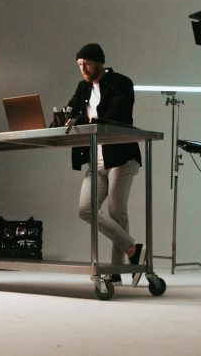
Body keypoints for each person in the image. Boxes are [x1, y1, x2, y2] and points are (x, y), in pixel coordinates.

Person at [67, 43, 143, 285]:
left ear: (99, 62)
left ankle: (115, 272)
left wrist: (82, 118)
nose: (83, 69)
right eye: (79, 64)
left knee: (116, 211)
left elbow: (117, 116)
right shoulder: (83, 87)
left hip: (121, 156)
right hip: (96, 158)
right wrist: (62, 118)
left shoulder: (122, 83)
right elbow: (70, 112)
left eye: (87, 63)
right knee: (85, 210)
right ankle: (133, 250)